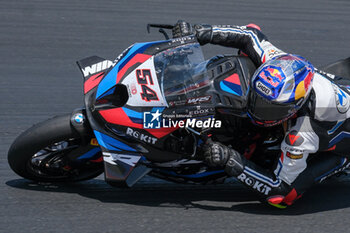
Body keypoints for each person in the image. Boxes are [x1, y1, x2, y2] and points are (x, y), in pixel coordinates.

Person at [172, 20, 350, 208]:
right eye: (257, 99)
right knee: (247, 52)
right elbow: (250, 34)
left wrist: (230, 159)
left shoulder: (301, 135)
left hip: (340, 145)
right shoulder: (278, 61)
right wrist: (201, 32)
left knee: (282, 198)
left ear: (294, 107)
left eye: (269, 108)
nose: (258, 109)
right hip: (335, 88)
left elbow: (278, 186)